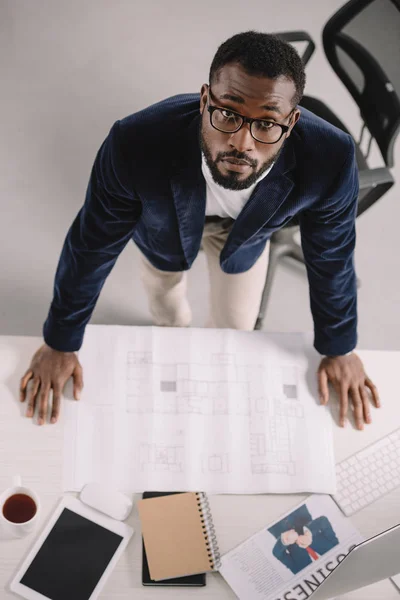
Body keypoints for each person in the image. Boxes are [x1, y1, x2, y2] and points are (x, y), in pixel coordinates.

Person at [20, 31, 380, 427]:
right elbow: (92, 244)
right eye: (227, 113)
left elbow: (332, 260)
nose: (242, 143)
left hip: (247, 237)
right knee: (166, 306)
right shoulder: (135, 143)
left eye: (267, 124)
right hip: (164, 232)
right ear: (205, 99)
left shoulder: (330, 160)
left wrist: (340, 348)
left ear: (291, 122)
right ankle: (171, 336)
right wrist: (60, 340)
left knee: (236, 328)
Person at [272, 516, 339, 575]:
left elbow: (277, 553)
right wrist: (308, 532)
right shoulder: (336, 549)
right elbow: (323, 521)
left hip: (277, 526)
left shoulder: (301, 572)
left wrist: (284, 541)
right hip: (298, 513)